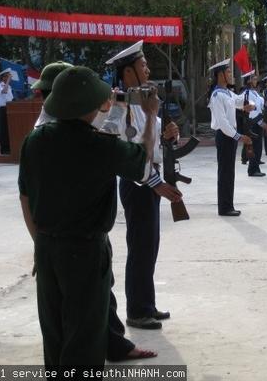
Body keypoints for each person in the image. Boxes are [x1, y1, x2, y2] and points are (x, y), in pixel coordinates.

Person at [19, 66, 156, 370]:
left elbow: (25, 197)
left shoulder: (34, 141)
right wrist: (150, 119)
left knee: (54, 334)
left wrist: (39, 244)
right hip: (85, 251)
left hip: (46, 247)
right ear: (87, 106)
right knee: (84, 338)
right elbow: (145, 165)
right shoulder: (101, 146)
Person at [104, 40, 181, 330]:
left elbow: (152, 140)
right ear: (127, 73)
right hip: (138, 184)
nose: (148, 68)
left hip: (151, 180)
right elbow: (124, 151)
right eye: (142, 65)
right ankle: (137, 310)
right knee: (140, 247)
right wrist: (156, 184)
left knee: (149, 247)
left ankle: (146, 304)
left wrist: (169, 133)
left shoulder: (141, 100)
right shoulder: (119, 106)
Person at [208, 59, 254, 216]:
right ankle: (225, 207)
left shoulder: (227, 93)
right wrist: (239, 137)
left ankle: (228, 205)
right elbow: (222, 123)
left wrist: (250, 104)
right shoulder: (216, 95)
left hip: (230, 136)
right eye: (227, 72)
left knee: (229, 172)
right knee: (225, 172)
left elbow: (240, 100)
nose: (230, 74)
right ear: (220, 75)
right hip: (224, 135)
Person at [241, 70, 267, 177]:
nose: (256, 80)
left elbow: (259, 108)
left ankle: (255, 167)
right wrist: (260, 123)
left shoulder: (255, 93)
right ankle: (252, 170)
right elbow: (251, 111)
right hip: (253, 123)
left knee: (257, 147)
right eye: (254, 79)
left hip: (257, 122)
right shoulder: (247, 93)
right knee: (254, 147)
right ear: (249, 81)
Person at [0, 68, 14, 154]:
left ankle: (10, 147)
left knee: (9, 129)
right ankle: (4, 149)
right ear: (3, 77)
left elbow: (11, 99)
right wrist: (8, 81)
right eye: (7, 76)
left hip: (10, 109)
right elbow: (4, 91)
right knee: (3, 130)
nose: (9, 78)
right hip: (3, 110)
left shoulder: (9, 86)